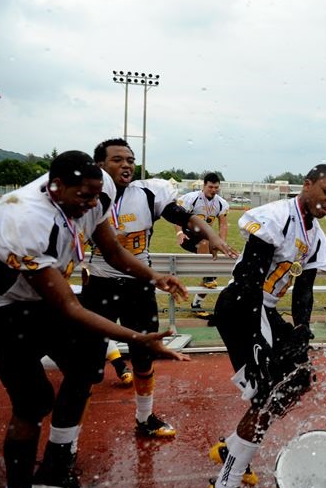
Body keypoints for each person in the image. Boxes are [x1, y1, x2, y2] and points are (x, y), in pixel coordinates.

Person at [0, 151, 190, 488]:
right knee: (34, 401)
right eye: (84, 197)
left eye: (98, 197)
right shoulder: (22, 218)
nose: (92, 205)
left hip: (41, 299)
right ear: (55, 186)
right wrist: (136, 338)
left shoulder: (94, 191)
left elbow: (112, 250)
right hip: (1, 308)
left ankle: (56, 465)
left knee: (85, 364)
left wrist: (156, 278)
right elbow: (68, 308)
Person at [81, 138, 239, 439]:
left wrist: (212, 236)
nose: (126, 165)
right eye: (117, 160)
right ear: (99, 165)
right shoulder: (88, 196)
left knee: (144, 356)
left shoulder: (147, 192)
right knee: (86, 366)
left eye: (129, 159)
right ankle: (69, 441)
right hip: (99, 285)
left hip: (138, 288)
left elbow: (180, 216)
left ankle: (145, 417)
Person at [206, 164, 326, 488]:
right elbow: (249, 281)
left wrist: (301, 329)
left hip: (264, 310)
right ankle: (228, 481)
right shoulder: (277, 216)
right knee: (268, 393)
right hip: (241, 307)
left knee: (298, 380)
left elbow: (304, 289)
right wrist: (258, 337)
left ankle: (231, 448)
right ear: (307, 185)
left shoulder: (315, 235)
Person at [175, 172, 230, 314]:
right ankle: (207, 276)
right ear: (204, 185)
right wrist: (179, 233)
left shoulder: (221, 203)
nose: (213, 190)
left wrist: (221, 243)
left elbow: (223, 225)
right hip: (188, 235)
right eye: (210, 187)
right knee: (205, 244)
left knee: (214, 268)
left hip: (206, 236)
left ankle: (197, 303)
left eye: (216, 187)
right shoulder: (190, 198)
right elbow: (177, 217)